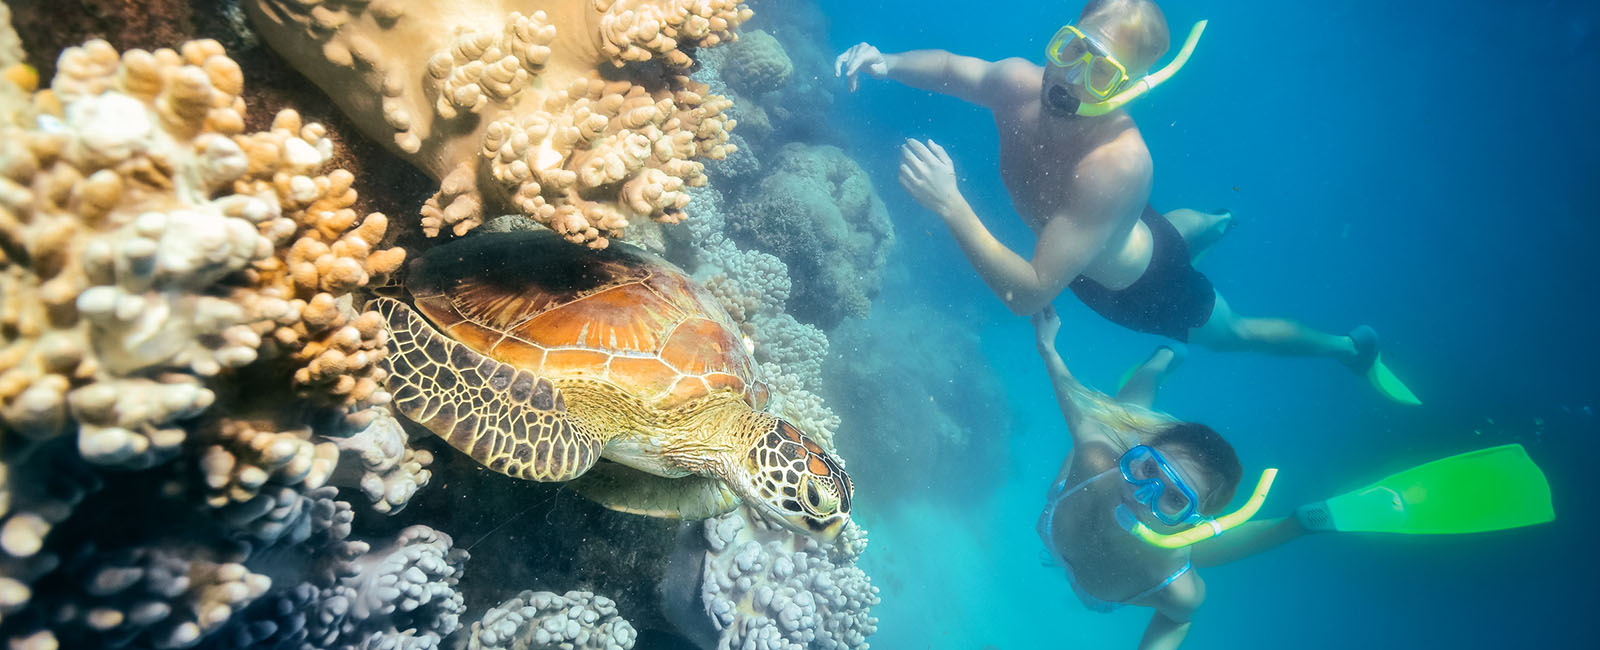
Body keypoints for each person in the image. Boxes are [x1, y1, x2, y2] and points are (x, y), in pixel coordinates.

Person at [835, 0, 1418, 404]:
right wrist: (885, 61)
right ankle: (1217, 222)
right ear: (1062, 31)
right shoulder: (1020, 82)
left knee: (1233, 331)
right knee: (1154, 228)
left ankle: (1347, 349)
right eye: (1070, 48)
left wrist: (951, 205)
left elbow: (1032, 290)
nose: (1071, 78)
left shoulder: (1118, 164)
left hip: (1142, 289)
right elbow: (952, 70)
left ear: (1129, 85)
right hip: (1115, 229)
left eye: (1103, 72)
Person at [1029, 306, 1553, 649]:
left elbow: (1176, 619)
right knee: (1129, 408)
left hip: (1162, 552)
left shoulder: (1179, 588)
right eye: (1144, 470)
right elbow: (1075, 400)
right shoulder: (1100, 462)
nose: (1141, 496)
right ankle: (1163, 357)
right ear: (1134, 459)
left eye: (1171, 498)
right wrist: (1048, 346)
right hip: (1107, 504)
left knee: (1192, 550)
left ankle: (1303, 522)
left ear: (1196, 516)